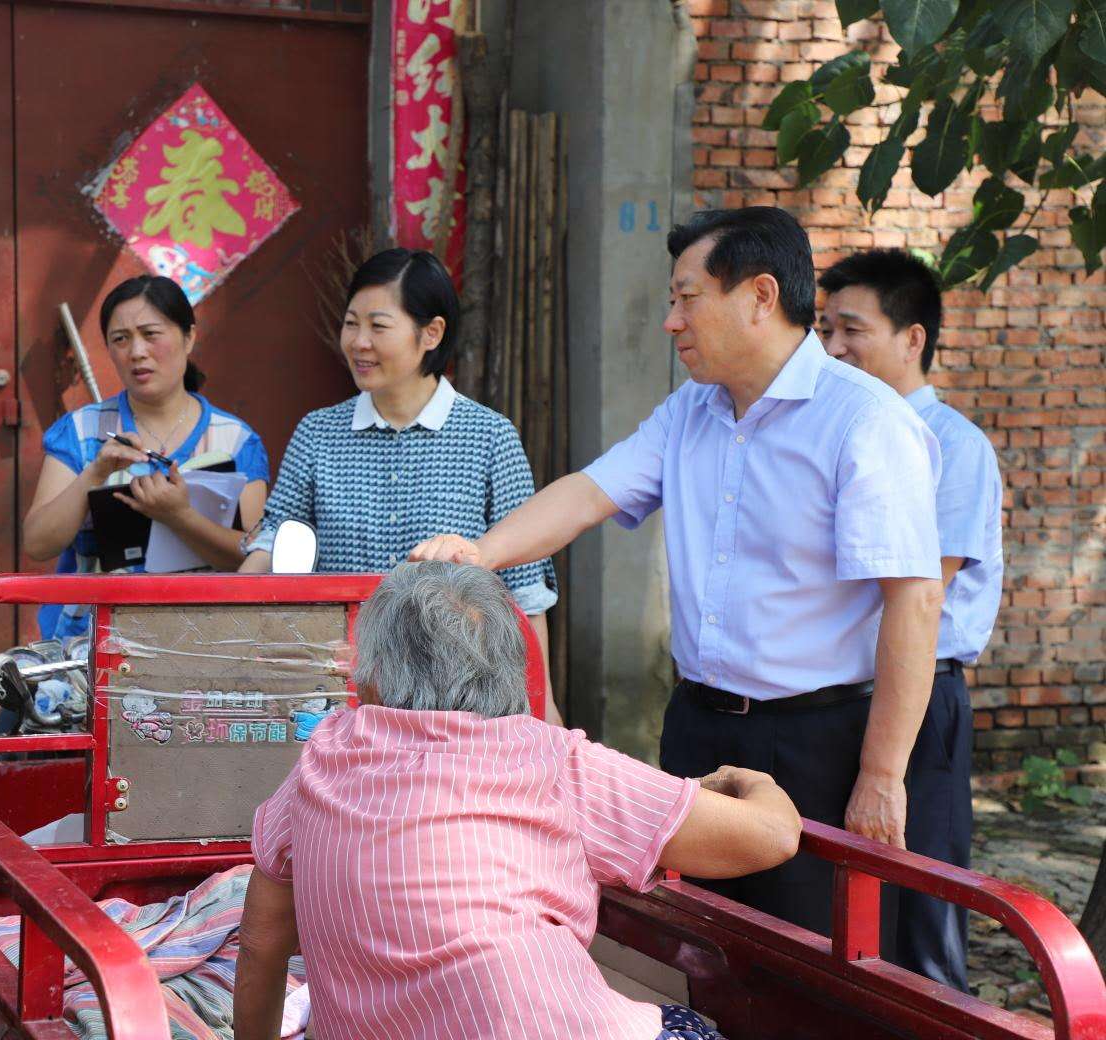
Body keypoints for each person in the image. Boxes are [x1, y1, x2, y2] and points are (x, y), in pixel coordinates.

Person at [411, 207, 945, 937]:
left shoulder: (864, 421)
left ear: (760, 296)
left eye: (687, 298)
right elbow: (589, 492)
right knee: (697, 942)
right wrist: (480, 553)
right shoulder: (690, 411)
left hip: (818, 739)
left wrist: (882, 775)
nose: (671, 322)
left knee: (807, 949)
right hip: (699, 724)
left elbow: (915, 600)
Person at [233, 561, 801, 1040]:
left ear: (373, 675)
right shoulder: (553, 758)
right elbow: (773, 836)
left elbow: (260, 943)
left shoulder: (325, 755)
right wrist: (748, 780)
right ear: (509, 668)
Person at [238, 248, 562, 724]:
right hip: (340, 686)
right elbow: (275, 539)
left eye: (378, 326)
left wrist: (542, 706)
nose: (359, 342)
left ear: (432, 333)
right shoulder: (317, 432)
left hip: (456, 694)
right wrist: (231, 618)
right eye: (351, 324)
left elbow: (526, 589)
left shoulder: (490, 436)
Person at [819, 249, 1002, 991]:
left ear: (912, 338)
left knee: (922, 901)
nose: (834, 348)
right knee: (849, 903)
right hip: (846, 697)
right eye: (825, 330)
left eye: (852, 329)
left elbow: (921, 591)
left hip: (924, 694)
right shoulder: (842, 431)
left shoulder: (955, 447)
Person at [25, 275, 269, 645]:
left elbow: (253, 557)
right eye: (120, 339)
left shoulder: (235, 440)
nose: (137, 351)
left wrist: (179, 517)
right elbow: (38, 543)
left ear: (189, 337)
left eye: (150, 334)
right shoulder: (81, 430)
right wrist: (95, 473)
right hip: (88, 644)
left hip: (202, 645)